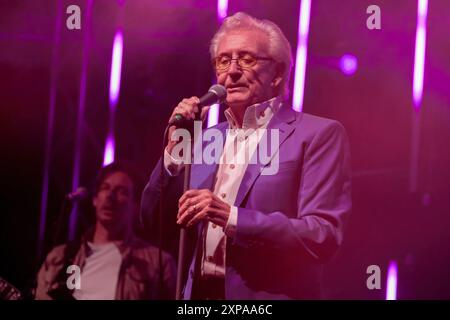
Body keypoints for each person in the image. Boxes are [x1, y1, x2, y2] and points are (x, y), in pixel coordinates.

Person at [141, 12, 351, 299]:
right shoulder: (205, 139)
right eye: (223, 60)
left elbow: (322, 235)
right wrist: (175, 151)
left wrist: (233, 218)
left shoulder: (317, 134)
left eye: (248, 59)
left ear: (277, 73)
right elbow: (153, 222)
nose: (233, 70)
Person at [35, 162, 176, 300]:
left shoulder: (158, 264)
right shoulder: (60, 257)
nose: (110, 196)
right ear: (95, 199)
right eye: (105, 188)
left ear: (135, 206)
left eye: (122, 191)